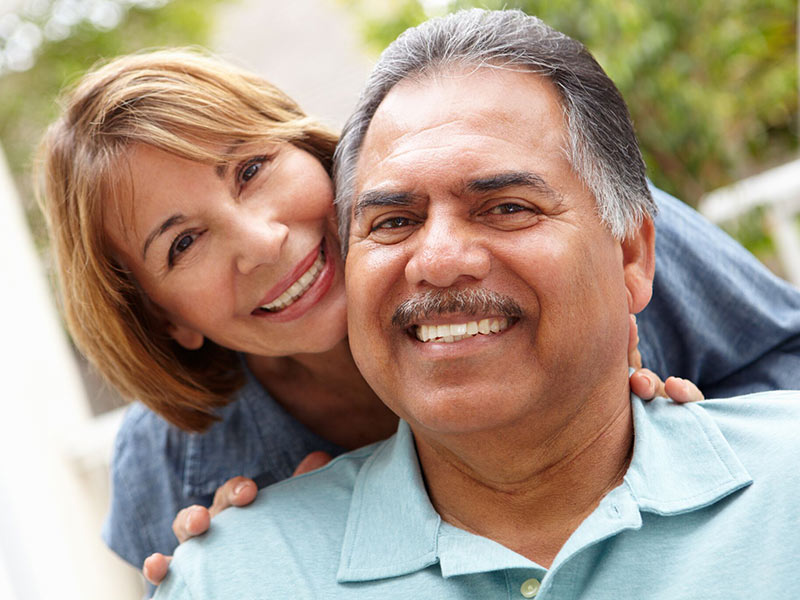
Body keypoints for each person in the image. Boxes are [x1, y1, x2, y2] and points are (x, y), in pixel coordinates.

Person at [34, 43, 795, 585]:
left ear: (312, 149)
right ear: (167, 319)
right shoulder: (171, 467)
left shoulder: (578, 233)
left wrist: (695, 437)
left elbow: (781, 359)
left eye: (251, 169)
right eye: (185, 242)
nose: (261, 242)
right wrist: (230, 563)